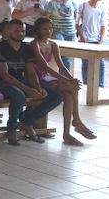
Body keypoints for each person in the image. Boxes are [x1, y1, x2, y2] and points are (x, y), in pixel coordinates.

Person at [0, 19, 64, 145]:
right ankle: (12, 128)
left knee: (57, 96)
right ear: (8, 31)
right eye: (17, 31)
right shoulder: (0, 48)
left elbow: (31, 72)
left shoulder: (27, 48)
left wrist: (37, 88)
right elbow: (5, 75)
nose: (20, 34)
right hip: (2, 82)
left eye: (23, 31)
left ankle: (27, 121)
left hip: (21, 80)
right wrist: (28, 90)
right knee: (20, 96)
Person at [32, 17, 95, 146]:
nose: (48, 31)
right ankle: (77, 121)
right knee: (71, 88)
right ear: (38, 30)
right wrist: (66, 81)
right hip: (37, 78)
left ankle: (67, 134)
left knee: (69, 94)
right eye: (44, 29)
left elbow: (61, 66)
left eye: (50, 28)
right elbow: (45, 66)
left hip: (48, 76)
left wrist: (71, 79)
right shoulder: (35, 44)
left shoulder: (53, 44)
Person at [77, 0, 107, 87]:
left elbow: (103, 25)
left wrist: (101, 39)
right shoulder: (83, 6)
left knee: (101, 63)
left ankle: (100, 85)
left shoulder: (101, 8)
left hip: (96, 39)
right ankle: (86, 84)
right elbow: (77, 23)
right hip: (85, 39)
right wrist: (82, 36)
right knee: (86, 64)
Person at [45, 0, 78, 70]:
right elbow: (46, 18)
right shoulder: (52, 3)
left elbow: (75, 16)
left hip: (71, 32)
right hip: (58, 31)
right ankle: (62, 74)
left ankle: (66, 75)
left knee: (69, 55)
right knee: (62, 53)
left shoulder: (73, 2)